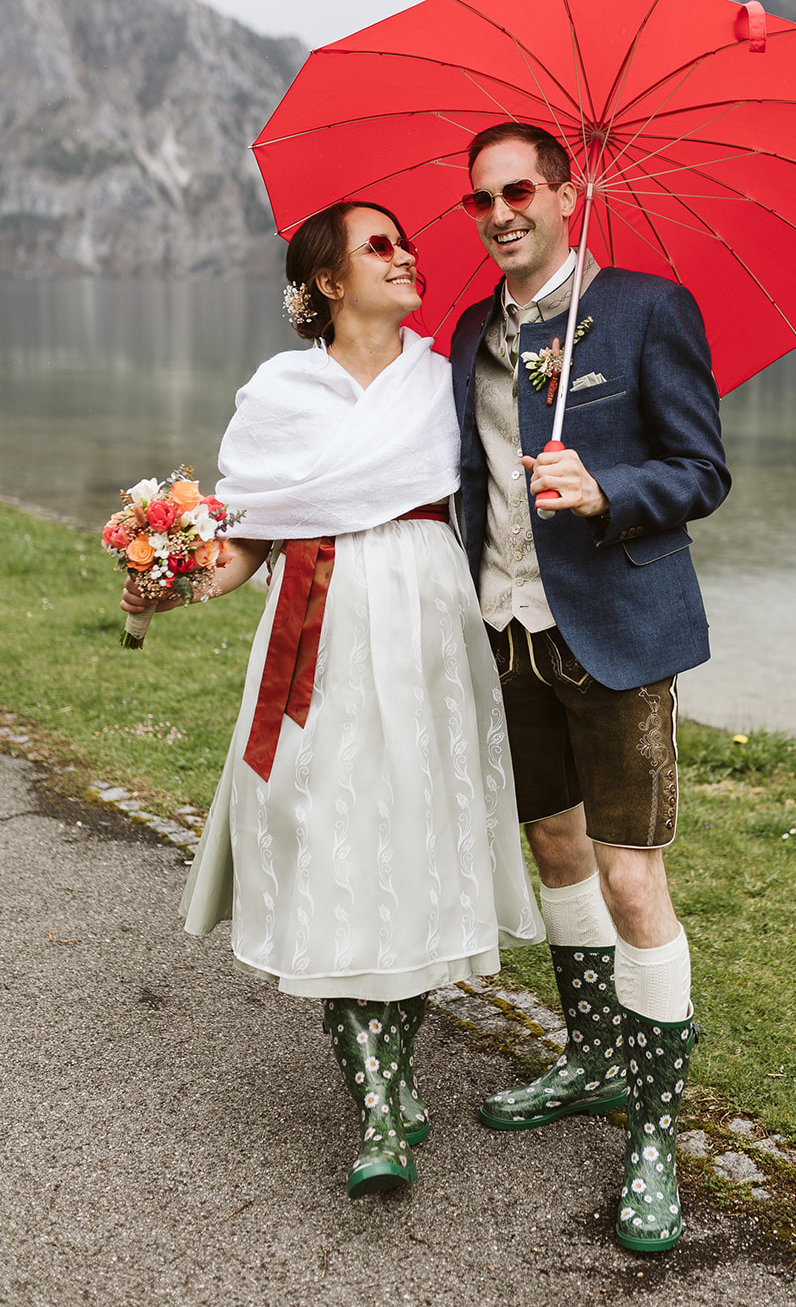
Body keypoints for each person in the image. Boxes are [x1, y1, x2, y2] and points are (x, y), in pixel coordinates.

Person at [121, 199, 543, 1199]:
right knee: (321, 838)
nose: (405, 257)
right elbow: (246, 545)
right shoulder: (278, 393)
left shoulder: (446, 375)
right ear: (324, 282)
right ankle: (380, 1105)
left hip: (428, 626)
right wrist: (170, 574)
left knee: (406, 843)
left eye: (404, 244)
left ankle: (388, 1089)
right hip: (317, 625)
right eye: (378, 246)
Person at [449, 123, 730, 1252]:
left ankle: (653, 1134)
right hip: (505, 629)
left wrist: (603, 485)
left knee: (627, 877)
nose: (500, 211)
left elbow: (702, 468)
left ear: (566, 193)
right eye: (481, 199)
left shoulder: (649, 307)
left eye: (519, 189)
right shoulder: (472, 331)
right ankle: (591, 1062)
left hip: (614, 631)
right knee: (553, 850)